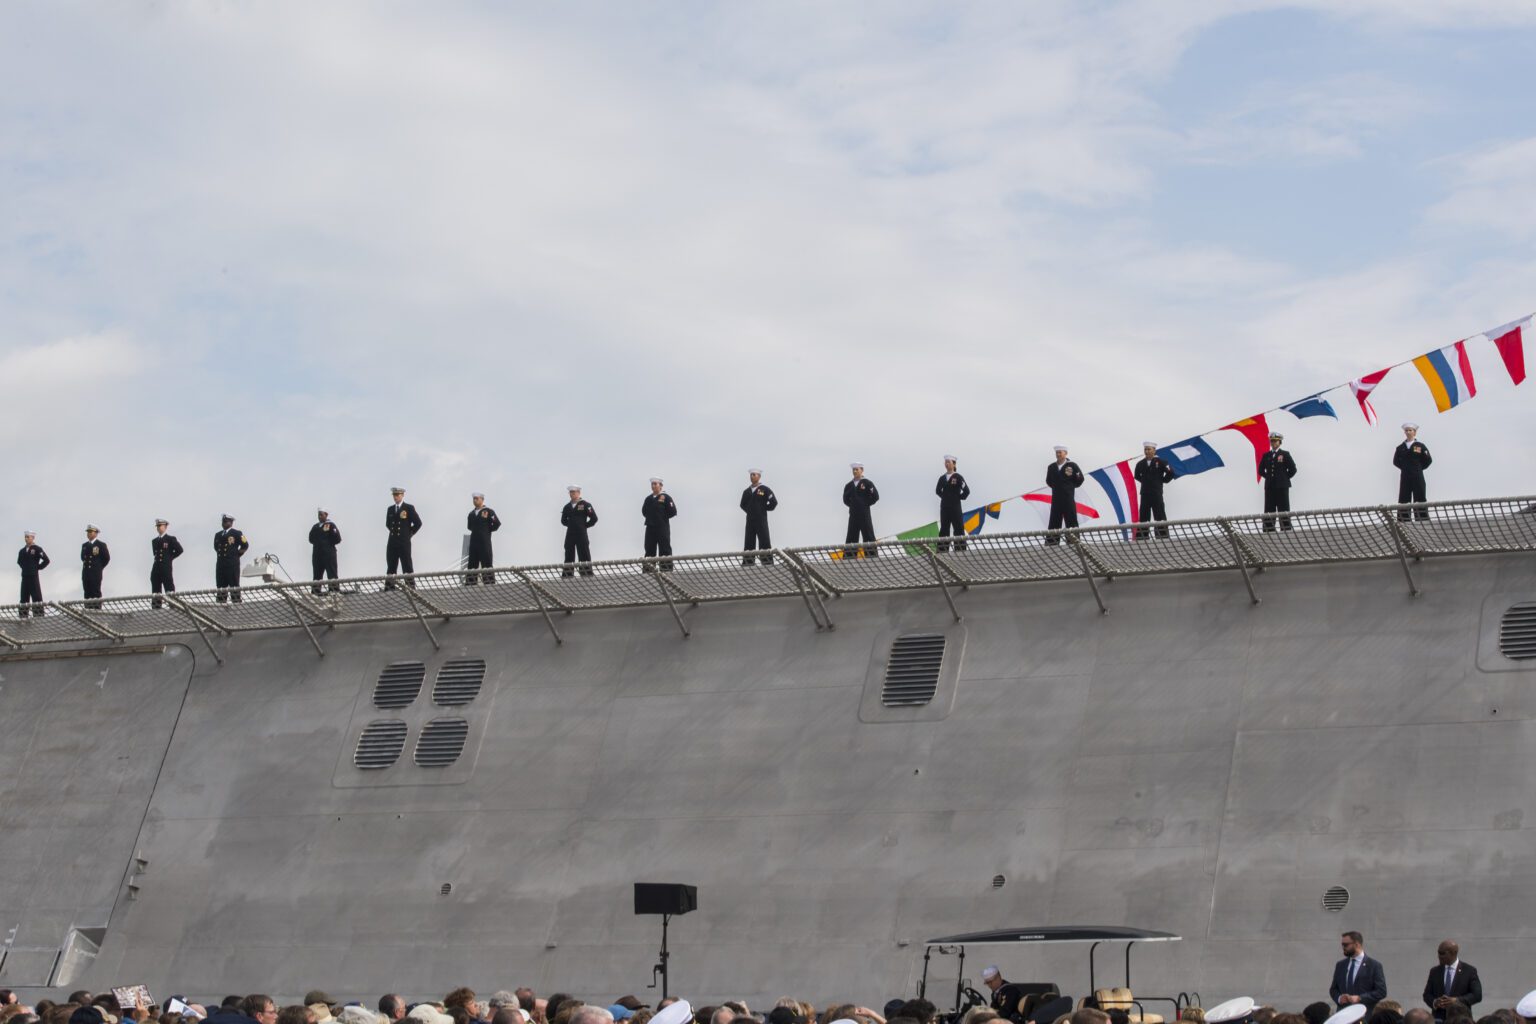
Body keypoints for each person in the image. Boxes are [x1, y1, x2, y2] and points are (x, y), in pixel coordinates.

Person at [1423, 940, 1480, 1020]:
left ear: (1453, 953)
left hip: (1461, 1020)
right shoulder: (1435, 971)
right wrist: (1435, 1002)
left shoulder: (1469, 971)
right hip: (1439, 1019)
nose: (1439, 956)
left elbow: (1477, 995)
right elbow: (1427, 995)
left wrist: (1457, 1000)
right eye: (1438, 952)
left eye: (1442, 953)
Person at [1331, 930, 1388, 1011]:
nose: (1343, 947)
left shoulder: (1374, 965)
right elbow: (1333, 989)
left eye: (1346, 945)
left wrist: (1360, 998)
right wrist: (1339, 998)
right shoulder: (1340, 965)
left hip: (1364, 1014)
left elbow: (1381, 992)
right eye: (1342, 945)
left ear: (1357, 944)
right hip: (1343, 1014)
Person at [1134, 442, 1176, 540]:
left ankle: (1162, 536)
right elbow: (1136, 476)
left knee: (1159, 514)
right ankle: (1142, 538)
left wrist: (1163, 481)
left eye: (1149, 449)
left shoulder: (1161, 462)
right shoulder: (1140, 464)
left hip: (1156, 492)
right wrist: (1145, 482)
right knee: (1144, 516)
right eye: (1145, 449)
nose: (1147, 451)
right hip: (1145, 493)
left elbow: (1170, 473)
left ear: (1154, 450)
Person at [384, 487, 422, 590]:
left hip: (404, 542)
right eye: (394, 495)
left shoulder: (408, 508)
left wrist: (409, 533)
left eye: (397, 495)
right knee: (391, 565)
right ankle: (389, 586)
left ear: (402, 495)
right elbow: (388, 524)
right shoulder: (390, 509)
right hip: (392, 542)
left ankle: (410, 586)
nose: (395, 497)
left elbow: (418, 523)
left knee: (407, 565)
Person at [1259, 431, 1297, 532]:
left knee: (1283, 508)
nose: (1273, 443)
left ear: (1279, 442)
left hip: (1282, 487)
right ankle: (1268, 530)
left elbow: (1293, 469)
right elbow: (1261, 470)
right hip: (1270, 487)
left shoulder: (1284, 454)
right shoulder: (1266, 455)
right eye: (1271, 441)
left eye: (1275, 441)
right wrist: (1268, 477)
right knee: (1269, 509)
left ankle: (1286, 529)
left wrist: (1284, 478)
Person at [1045, 446, 1083, 544]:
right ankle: (1051, 544)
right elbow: (1049, 481)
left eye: (1060, 452)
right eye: (1057, 452)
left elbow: (1080, 479)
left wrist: (1069, 487)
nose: (1058, 454)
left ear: (1065, 453)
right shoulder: (1051, 467)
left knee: (1071, 521)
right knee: (1054, 521)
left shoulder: (1072, 465)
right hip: (1056, 499)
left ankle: (1074, 543)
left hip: (1068, 499)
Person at [1394, 423, 1432, 521]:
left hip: (1417, 476)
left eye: (1410, 430)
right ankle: (1403, 520)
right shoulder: (1400, 448)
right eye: (1406, 430)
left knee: (1419, 497)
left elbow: (1428, 460)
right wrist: (1406, 468)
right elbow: (1396, 461)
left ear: (1414, 432)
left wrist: (1418, 468)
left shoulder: (1420, 446)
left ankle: (1422, 519)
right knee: (1404, 498)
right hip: (1405, 476)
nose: (1408, 432)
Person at [741, 469, 778, 566]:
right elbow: (742, 504)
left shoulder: (765, 489)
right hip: (750, 520)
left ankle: (767, 562)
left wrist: (762, 509)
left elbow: (774, 502)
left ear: (759, 476)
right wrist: (750, 511)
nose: (752, 476)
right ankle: (748, 562)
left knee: (764, 540)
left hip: (761, 520)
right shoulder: (746, 491)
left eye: (754, 474)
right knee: (749, 541)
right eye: (751, 475)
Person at [843, 462, 880, 558]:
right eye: (853, 470)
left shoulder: (867, 483)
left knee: (868, 535)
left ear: (862, 470)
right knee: (851, 536)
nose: (855, 471)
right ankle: (849, 558)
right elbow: (845, 499)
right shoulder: (849, 485)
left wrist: (865, 504)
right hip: (853, 515)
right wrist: (853, 505)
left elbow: (875, 496)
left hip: (865, 514)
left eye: (857, 469)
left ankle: (872, 556)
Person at [641, 478, 677, 572]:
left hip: (662, 527)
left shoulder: (666, 497)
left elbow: (673, 511)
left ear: (661, 486)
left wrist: (661, 518)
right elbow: (644, 511)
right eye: (652, 484)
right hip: (650, 527)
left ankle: (666, 570)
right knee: (649, 549)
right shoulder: (648, 499)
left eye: (655, 484)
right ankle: (648, 571)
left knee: (665, 549)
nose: (653, 486)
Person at [936, 456, 971, 553]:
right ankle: (942, 551)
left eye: (948, 462)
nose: (946, 464)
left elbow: (967, 491)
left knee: (959, 528)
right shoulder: (942, 478)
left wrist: (958, 497)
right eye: (945, 462)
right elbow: (937, 491)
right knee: (944, 529)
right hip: (945, 507)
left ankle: (960, 550)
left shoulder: (958, 477)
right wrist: (945, 497)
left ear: (954, 464)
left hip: (955, 507)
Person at [561, 486, 598, 577]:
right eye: (571, 492)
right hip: (570, 534)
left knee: (584, 553)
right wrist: (571, 525)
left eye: (574, 492)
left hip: (581, 534)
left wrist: (584, 526)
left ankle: (586, 573)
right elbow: (563, 520)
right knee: (569, 553)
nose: (572, 494)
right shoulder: (567, 507)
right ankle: (568, 574)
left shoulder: (585, 504)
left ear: (579, 493)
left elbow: (594, 518)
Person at [465, 493, 501, 585]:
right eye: (474, 499)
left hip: (484, 543)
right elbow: (469, 527)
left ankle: (489, 584)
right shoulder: (471, 514)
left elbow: (497, 523)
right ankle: (470, 585)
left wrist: (487, 530)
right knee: (472, 565)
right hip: (474, 543)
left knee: (487, 563)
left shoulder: (488, 511)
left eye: (477, 498)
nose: (475, 500)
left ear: (482, 499)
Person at [214, 515, 249, 603]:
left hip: (232, 564)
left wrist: (236, 556)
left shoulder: (237, 533)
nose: (224, 523)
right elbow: (216, 548)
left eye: (226, 521)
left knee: (234, 586)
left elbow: (245, 545)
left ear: (231, 523)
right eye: (223, 521)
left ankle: (236, 603)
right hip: (221, 564)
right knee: (221, 587)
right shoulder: (218, 535)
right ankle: (221, 604)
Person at [150, 519, 183, 609]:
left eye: (160, 526)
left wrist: (169, 558)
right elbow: (155, 554)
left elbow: (180, 550)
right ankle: (156, 607)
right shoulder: (154, 541)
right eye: (157, 526)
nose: (158, 528)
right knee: (156, 588)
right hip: (156, 567)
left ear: (165, 526)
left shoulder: (170, 539)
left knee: (169, 587)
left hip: (165, 567)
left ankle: (173, 606)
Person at [17, 531, 49, 618]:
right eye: (25, 537)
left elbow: (46, 560)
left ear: (33, 538)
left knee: (36, 597)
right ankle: (23, 616)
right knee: (24, 597)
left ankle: (39, 616)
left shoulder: (37, 549)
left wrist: (37, 567)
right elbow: (19, 562)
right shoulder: (22, 551)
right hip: (25, 576)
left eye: (28, 537)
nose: (26, 538)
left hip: (33, 576)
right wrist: (25, 568)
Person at [309, 509, 342, 594]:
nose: (319, 517)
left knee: (331, 572)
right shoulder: (315, 527)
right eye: (318, 515)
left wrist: (327, 544)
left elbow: (337, 538)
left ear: (326, 515)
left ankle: (334, 590)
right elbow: (311, 538)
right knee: (317, 574)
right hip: (317, 554)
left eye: (321, 514)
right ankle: (316, 591)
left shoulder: (330, 525)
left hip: (328, 554)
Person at [80, 525, 110, 609]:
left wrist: (98, 568)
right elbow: (83, 558)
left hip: (95, 573)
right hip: (86, 573)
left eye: (90, 532)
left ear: (96, 533)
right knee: (87, 592)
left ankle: (97, 609)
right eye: (88, 532)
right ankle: (88, 609)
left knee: (95, 592)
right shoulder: (84, 545)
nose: (88, 534)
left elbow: (106, 558)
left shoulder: (100, 545)